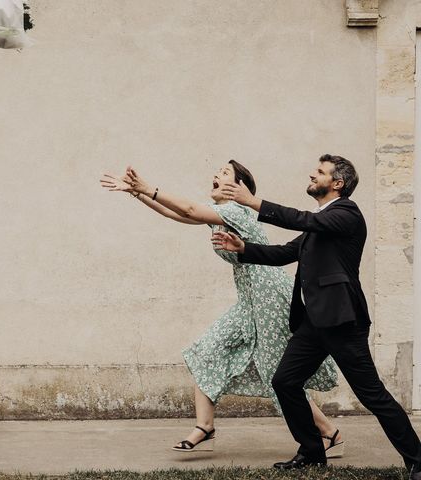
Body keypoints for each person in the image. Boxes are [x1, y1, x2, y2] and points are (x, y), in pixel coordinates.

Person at [100, 161, 342, 456]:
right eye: (218, 172)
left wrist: (146, 187)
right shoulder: (219, 216)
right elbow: (175, 213)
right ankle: (205, 427)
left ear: (238, 187)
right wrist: (137, 193)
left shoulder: (235, 211)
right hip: (249, 300)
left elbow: (188, 209)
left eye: (225, 174)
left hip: (269, 298)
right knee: (206, 351)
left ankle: (328, 433)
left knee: (275, 373)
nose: (216, 175)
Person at [214, 154, 421, 476]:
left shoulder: (345, 214)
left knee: (373, 395)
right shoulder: (320, 222)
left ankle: (418, 461)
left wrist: (252, 202)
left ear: (336, 184)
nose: (312, 174)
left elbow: (302, 219)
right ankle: (312, 452)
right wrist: (243, 249)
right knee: (285, 382)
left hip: (342, 321)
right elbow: (284, 253)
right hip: (314, 322)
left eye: (320, 172)